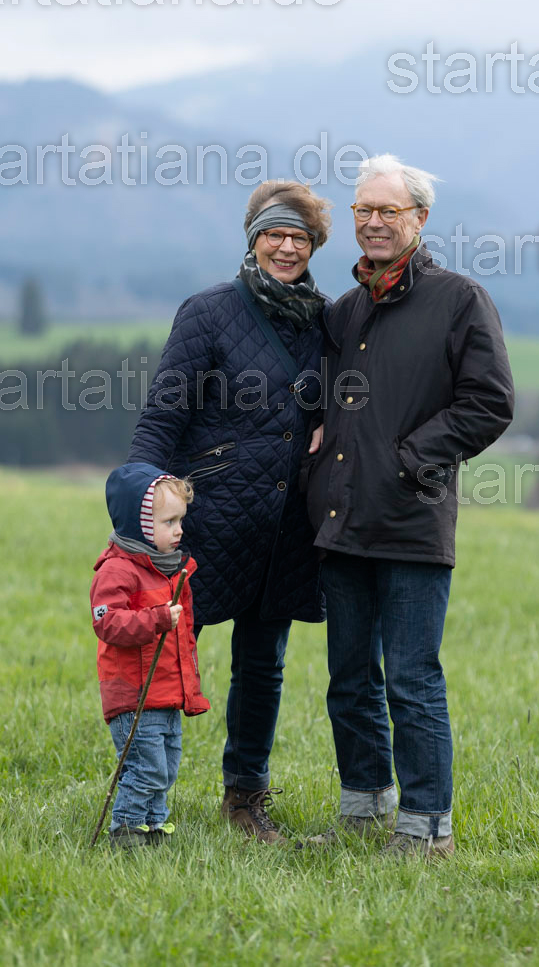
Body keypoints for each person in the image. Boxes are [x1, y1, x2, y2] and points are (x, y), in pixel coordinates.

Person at [305, 154, 515, 856]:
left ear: (419, 218)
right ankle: (364, 811)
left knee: (412, 680)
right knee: (349, 679)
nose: (372, 222)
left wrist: (409, 459)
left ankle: (427, 829)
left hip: (411, 521)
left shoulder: (459, 300)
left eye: (387, 211)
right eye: (362, 210)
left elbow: (490, 402)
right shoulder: (345, 311)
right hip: (341, 522)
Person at [126, 181, 330, 843]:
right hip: (204, 521)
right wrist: (139, 506)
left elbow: (340, 406)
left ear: (314, 247)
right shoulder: (208, 313)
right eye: (274, 233)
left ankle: (245, 801)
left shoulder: (326, 322)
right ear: (252, 238)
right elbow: (162, 418)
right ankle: (142, 802)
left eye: (300, 237)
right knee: (166, 658)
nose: (286, 247)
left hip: (285, 528)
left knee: (264, 665)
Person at [90, 463, 210, 848]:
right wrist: (156, 619)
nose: (179, 530)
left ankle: (154, 827)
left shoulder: (169, 570)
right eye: (169, 522)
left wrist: (188, 689)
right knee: (147, 768)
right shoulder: (117, 570)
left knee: (167, 767)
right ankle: (126, 829)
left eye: (180, 520)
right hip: (135, 695)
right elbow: (107, 622)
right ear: (141, 525)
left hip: (166, 693)